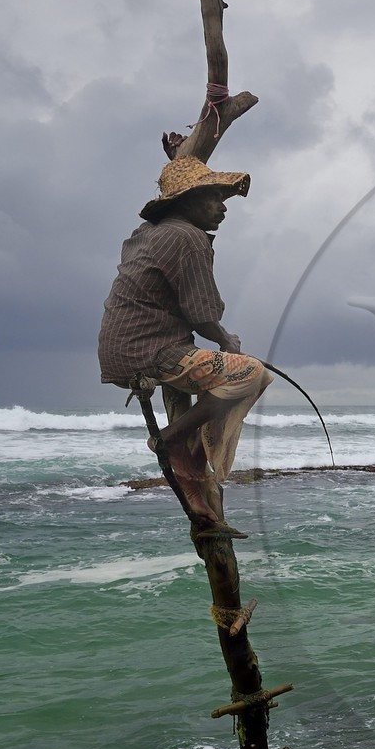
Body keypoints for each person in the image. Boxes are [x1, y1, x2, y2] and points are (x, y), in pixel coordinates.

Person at [99, 156, 272, 530]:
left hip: (122, 348)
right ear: (187, 200)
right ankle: (169, 439)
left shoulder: (148, 232)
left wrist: (183, 154)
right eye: (214, 197)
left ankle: (195, 490)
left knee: (212, 393)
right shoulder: (188, 238)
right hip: (152, 350)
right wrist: (227, 339)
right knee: (251, 373)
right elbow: (202, 314)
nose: (223, 207)